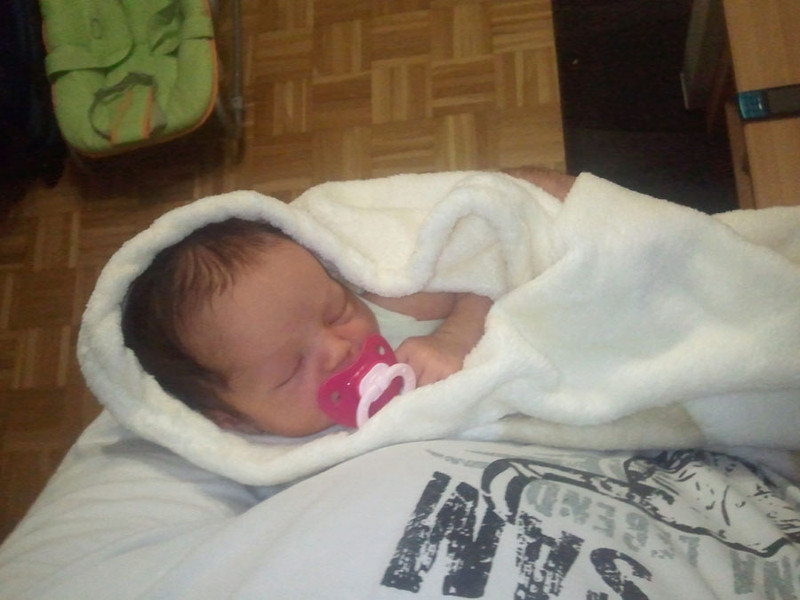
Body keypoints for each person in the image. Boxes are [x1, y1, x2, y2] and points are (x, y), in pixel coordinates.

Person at [123, 168, 576, 438]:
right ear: (235, 420)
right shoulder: (267, 454)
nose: (338, 348)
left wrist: (453, 338)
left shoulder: (396, 301)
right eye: (291, 370)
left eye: (336, 312)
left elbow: (485, 267)